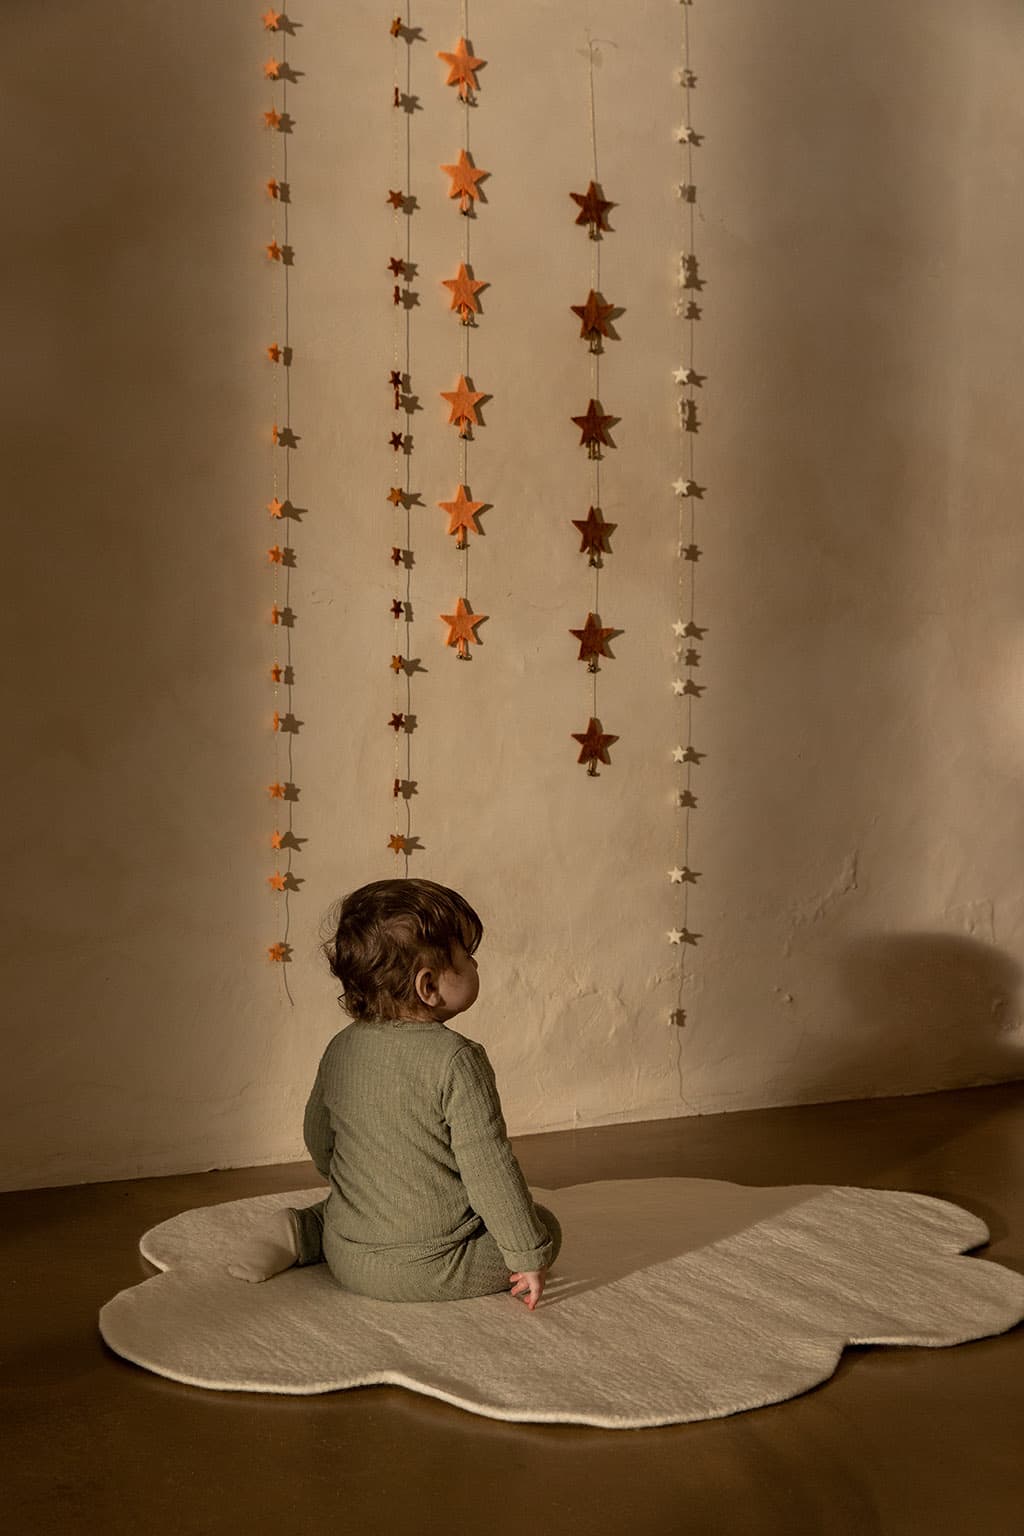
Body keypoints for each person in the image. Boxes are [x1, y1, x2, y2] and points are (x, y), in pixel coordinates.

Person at [227, 878, 561, 1311]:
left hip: (345, 1250)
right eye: (467, 956)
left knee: (355, 1206)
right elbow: (489, 1168)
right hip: (426, 1267)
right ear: (428, 986)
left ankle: (302, 1230)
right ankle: (522, 1243)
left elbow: (318, 1134)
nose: (476, 964)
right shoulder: (459, 1060)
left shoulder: (342, 1046)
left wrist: (357, 1184)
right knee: (545, 1226)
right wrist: (527, 1252)